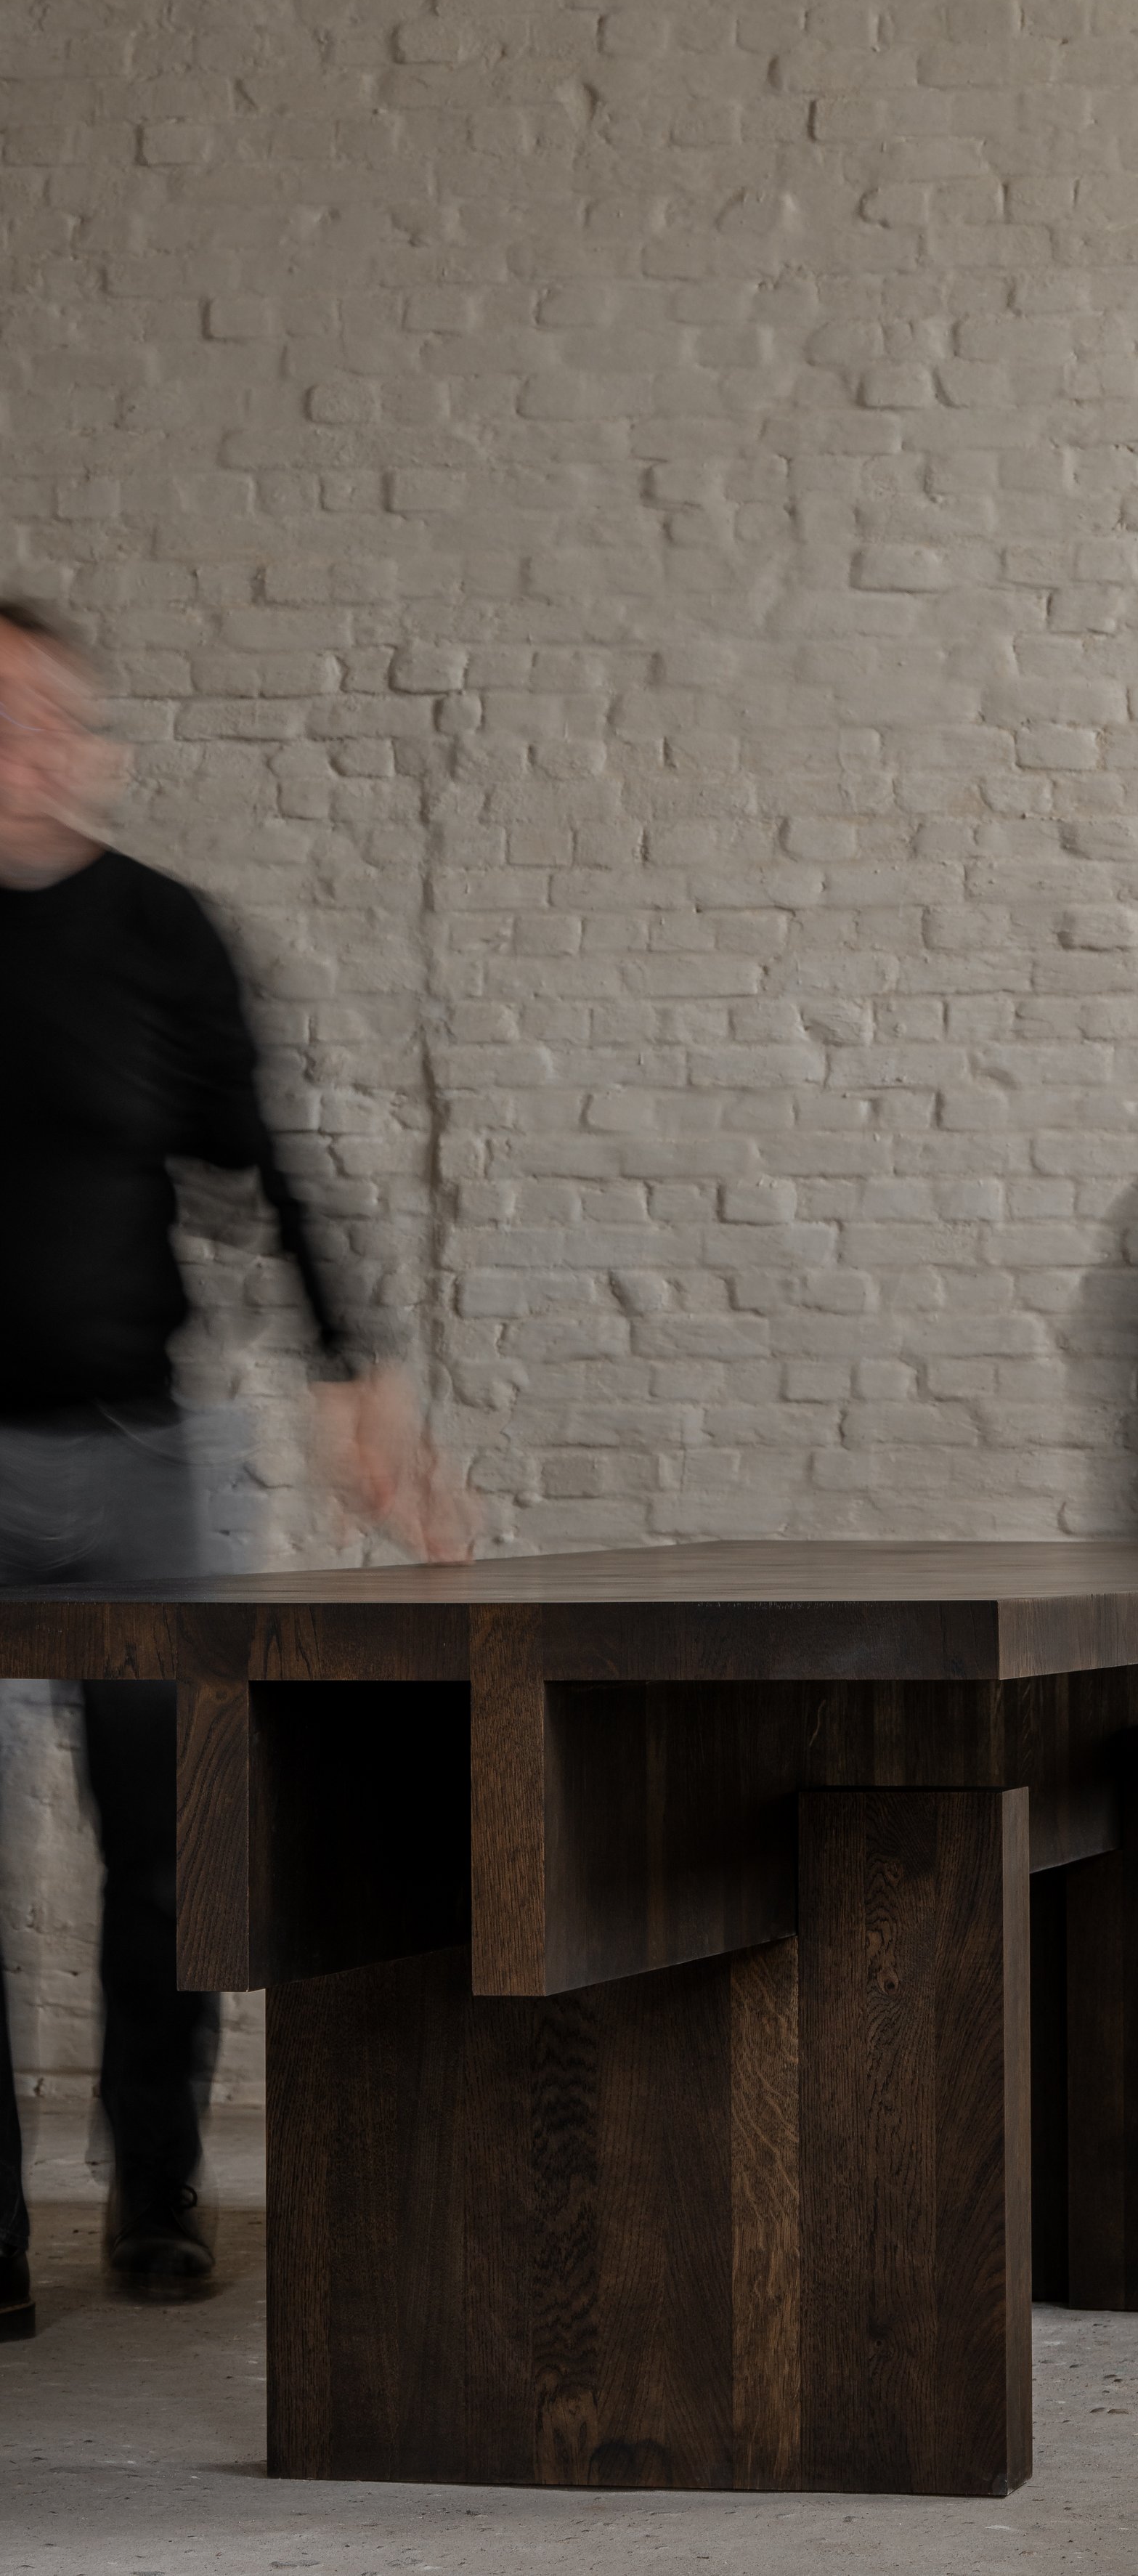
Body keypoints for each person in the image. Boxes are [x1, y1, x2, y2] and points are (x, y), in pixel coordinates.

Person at [0, 597, 473, 2340]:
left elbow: (266, 1166)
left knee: (168, 1849)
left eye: (43, 715)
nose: (18, 747)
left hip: (141, 1457)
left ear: (93, 744)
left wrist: (355, 1380)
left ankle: (153, 2194)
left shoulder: (160, 937)